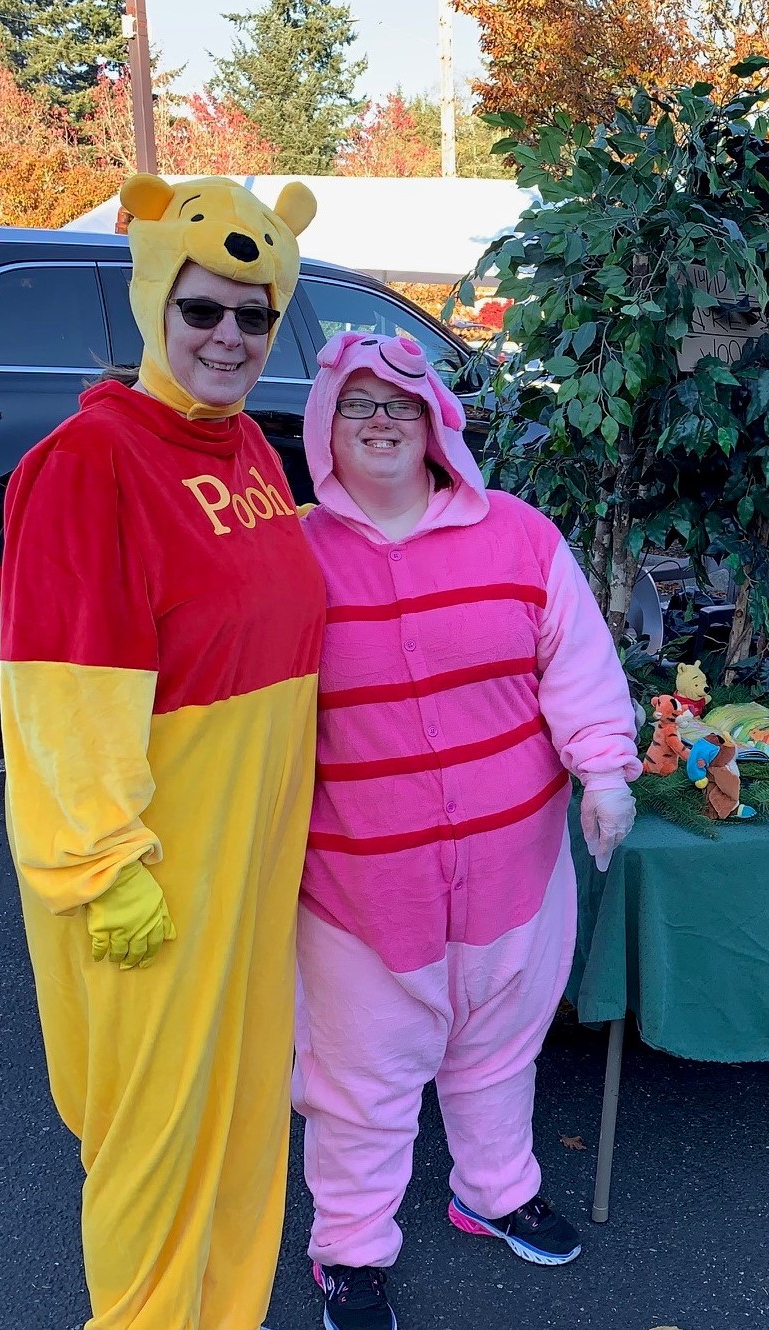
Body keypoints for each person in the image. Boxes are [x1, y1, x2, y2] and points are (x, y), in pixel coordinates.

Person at [0, 174, 323, 1328]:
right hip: (153, 872)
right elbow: (58, 689)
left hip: (251, 869)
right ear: (153, 303)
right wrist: (104, 862)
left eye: (254, 315)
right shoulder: (91, 460)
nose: (229, 337)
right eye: (202, 309)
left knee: (240, 1119)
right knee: (151, 1141)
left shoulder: (251, 451)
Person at [290, 332, 641, 1330]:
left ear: (437, 420)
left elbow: (575, 663)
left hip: (513, 872)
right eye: (358, 404)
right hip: (358, 889)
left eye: (401, 403)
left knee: (498, 1049)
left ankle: (495, 1191)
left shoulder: (521, 536)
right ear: (323, 426)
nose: (381, 422)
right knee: (359, 1084)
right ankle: (350, 1250)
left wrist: (604, 770)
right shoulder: (290, 554)